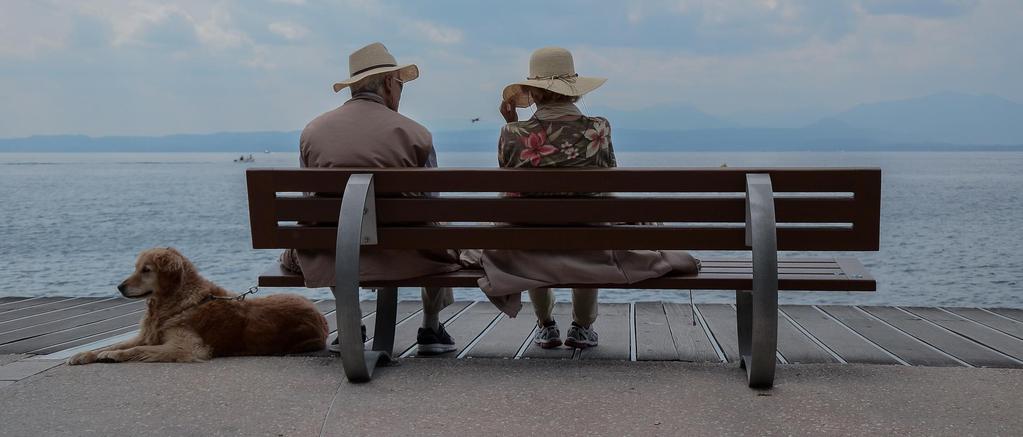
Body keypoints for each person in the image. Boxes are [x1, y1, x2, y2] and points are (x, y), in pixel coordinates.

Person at [479, 47, 700, 349]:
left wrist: (514, 123)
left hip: (529, 245)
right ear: (575, 92)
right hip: (590, 242)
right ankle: (582, 326)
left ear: (534, 92)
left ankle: (545, 325)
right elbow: (608, 180)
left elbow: (509, 192)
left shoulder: (511, 132)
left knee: (525, 230)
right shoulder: (599, 128)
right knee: (593, 225)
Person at [279, 42, 462, 355]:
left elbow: (310, 202)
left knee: (327, 231)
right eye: (401, 84)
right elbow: (433, 204)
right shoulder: (416, 134)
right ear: (390, 83)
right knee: (437, 229)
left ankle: (350, 324)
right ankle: (431, 326)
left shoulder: (313, 132)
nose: (401, 92)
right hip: (407, 255)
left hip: (330, 253)